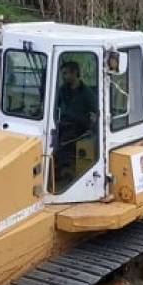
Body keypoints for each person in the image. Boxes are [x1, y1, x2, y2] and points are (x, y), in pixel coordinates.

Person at [54, 61, 97, 189]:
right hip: (63, 123)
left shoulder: (86, 93)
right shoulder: (62, 90)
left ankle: (63, 172)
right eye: (63, 73)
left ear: (75, 73)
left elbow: (97, 111)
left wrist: (93, 128)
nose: (63, 76)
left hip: (79, 127)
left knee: (62, 140)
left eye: (66, 73)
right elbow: (54, 105)